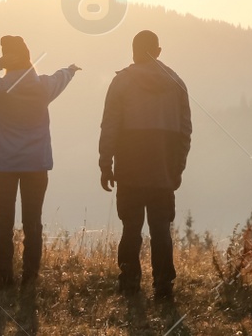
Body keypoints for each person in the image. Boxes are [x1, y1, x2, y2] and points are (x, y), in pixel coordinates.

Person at [0, 35, 80, 289]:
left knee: (3, 222)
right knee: (33, 223)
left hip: (3, 166)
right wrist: (70, 69)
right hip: (36, 166)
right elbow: (62, 77)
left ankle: (5, 278)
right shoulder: (43, 87)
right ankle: (30, 277)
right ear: (29, 58)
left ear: (8, 59)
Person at [99, 29, 192, 300]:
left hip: (130, 169)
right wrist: (177, 168)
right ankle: (163, 285)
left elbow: (110, 127)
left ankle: (129, 282)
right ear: (159, 51)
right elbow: (185, 131)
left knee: (131, 228)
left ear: (133, 50)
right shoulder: (177, 84)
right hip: (163, 171)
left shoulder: (122, 83)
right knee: (161, 229)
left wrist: (106, 163)